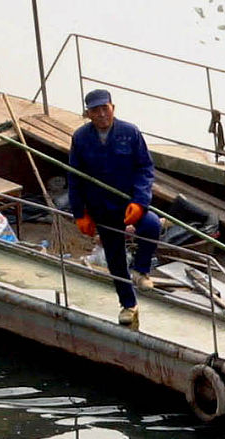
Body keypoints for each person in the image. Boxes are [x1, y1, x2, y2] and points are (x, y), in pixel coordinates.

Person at [68, 88, 161, 326]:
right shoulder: (80, 138)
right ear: (87, 114)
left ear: (113, 108)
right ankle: (128, 305)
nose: (101, 115)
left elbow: (145, 169)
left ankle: (140, 270)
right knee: (115, 257)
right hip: (101, 207)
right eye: (95, 111)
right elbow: (75, 178)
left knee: (151, 226)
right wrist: (80, 213)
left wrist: (140, 202)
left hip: (127, 203)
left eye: (104, 109)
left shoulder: (130, 133)